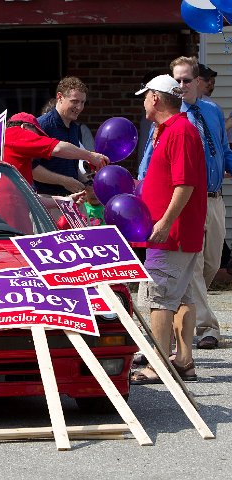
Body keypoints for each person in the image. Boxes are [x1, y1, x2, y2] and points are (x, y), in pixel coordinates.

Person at [140, 58, 232, 350]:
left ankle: (170, 355)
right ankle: (195, 342)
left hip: (201, 205)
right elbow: (151, 165)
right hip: (182, 210)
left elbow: (217, 155)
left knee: (202, 270)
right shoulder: (170, 126)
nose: (181, 86)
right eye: (176, 81)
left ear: (198, 83)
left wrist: (164, 222)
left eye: (186, 81)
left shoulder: (197, 119)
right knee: (185, 281)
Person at [130, 74, 206, 385]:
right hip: (175, 233)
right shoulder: (167, 131)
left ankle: (157, 365)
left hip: (171, 235)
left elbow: (184, 183)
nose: (144, 101)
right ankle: (184, 361)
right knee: (182, 296)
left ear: (157, 99)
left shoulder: (180, 130)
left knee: (159, 299)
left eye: (145, 96)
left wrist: (164, 222)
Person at [3, 112, 108, 186]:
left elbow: (26, 199)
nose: (38, 138)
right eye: (37, 134)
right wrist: (91, 156)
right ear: (25, 127)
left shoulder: (2, 141)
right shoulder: (15, 134)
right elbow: (57, 148)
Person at [33, 76, 90, 196]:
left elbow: (69, 166)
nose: (79, 107)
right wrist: (64, 181)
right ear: (60, 97)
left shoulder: (74, 128)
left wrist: (86, 182)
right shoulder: (42, 125)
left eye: (82, 102)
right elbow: (32, 169)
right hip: (46, 200)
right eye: (74, 101)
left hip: (72, 199)